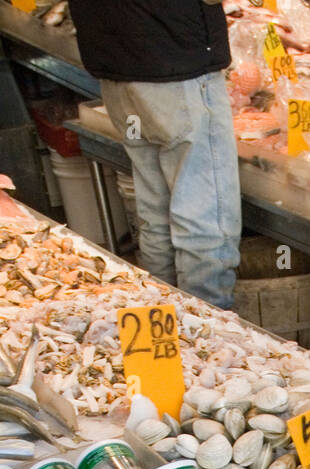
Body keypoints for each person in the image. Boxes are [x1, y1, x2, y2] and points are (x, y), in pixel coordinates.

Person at [66, 0, 241, 309]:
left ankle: (165, 330)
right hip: (177, 69)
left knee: (154, 210)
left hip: (117, 74)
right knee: (204, 221)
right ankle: (206, 335)